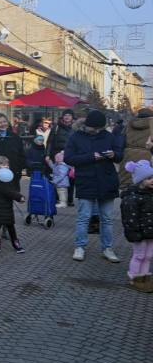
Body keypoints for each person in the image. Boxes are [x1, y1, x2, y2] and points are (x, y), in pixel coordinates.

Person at [64, 110, 123, 263]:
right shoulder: (76, 137)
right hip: (86, 180)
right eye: (94, 128)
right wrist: (91, 157)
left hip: (107, 180)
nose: (97, 131)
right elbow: (69, 158)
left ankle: (107, 248)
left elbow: (119, 154)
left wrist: (113, 155)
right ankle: (80, 247)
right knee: (84, 217)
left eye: (99, 128)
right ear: (87, 125)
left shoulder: (108, 136)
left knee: (107, 218)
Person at [120, 160, 153, 292]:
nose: (152, 180)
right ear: (141, 180)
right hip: (139, 232)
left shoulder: (150, 194)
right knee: (139, 255)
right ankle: (135, 279)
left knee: (148, 256)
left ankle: (145, 279)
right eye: (149, 178)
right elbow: (130, 218)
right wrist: (135, 233)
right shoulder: (132, 197)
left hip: (150, 231)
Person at [0, 156, 26, 253]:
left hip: (6, 205)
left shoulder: (6, 177)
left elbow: (11, 189)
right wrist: (19, 197)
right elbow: (6, 190)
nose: (6, 166)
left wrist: (18, 196)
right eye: (3, 164)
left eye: (7, 164)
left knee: (10, 224)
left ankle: (15, 242)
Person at [46, 108, 77, 206]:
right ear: (62, 117)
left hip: (71, 155)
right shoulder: (56, 127)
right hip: (57, 156)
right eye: (65, 115)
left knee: (71, 177)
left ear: (72, 117)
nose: (67, 117)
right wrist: (47, 154)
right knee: (57, 176)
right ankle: (57, 198)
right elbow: (49, 142)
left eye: (69, 115)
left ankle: (69, 199)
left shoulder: (76, 128)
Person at [119, 108, 153, 188]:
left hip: (129, 157)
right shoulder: (152, 126)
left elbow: (121, 142)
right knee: (147, 185)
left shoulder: (128, 125)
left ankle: (129, 198)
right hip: (148, 156)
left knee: (128, 184)